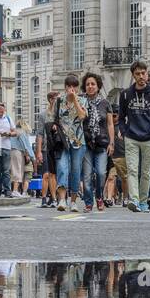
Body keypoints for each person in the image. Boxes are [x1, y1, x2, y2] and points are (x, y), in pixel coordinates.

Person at [116, 59, 150, 213]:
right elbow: (121, 117)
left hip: (149, 138)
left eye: (143, 73)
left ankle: (143, 201)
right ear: (133, 75)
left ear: (147, 74)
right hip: (131, 137)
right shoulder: (125, 95)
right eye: (138, 74)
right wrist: (124, 132)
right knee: (132, 170)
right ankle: (134, 200)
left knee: (146, 172)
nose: (141, 76)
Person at [52, 73, 87, 212]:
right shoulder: (59, 101)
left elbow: (82, 116)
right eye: (69, 86)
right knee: (61, 168)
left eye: (74, 86)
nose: (71, 89)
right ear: (65, 87)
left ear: (77, 88)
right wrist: (54, 126)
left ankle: (73, 201)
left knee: (75, 171)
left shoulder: (83, 101)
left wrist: (75, 101)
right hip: (62, 141)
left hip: (78, 141)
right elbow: (53, 118)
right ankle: (61, 199)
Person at [80, 72, 114, 213]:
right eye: (87, 84)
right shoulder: (81, 101)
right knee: (87, 176)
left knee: (101, 173)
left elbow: (110, 124)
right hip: (86, 144)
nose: (90, 86)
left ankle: (99, 196)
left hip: (102, 143)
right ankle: (88, 202)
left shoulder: (105, 103)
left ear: (98, 86)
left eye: (93, 84)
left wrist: (111, 143)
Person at [35, 88, 59, 208]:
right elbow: (39, 133)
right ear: (51, 100)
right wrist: (38, 151)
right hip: (46, 147)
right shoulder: (43, 115)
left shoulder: (59, 113)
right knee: (46, 174)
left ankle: (53, 197)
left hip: (57, 146)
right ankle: (45, 198)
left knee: (55, 174)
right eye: (56, 99)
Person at [10, 117, 35, 197]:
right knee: (18, 170)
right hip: (18, 151)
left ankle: (15, 189)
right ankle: (15, 190)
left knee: (14, 170)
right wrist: (32, 157)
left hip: (11, 151)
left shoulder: (14, 131)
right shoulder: (22, 132)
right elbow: (26, 145)